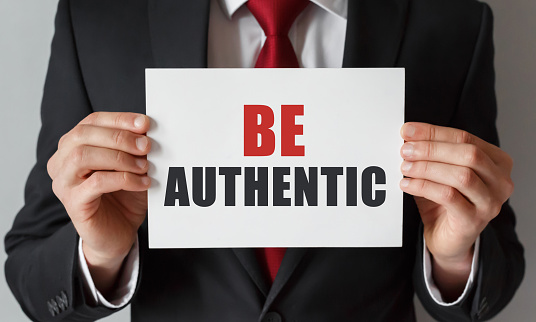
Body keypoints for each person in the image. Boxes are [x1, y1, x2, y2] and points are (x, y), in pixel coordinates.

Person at [5, 0, 525, 321]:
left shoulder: (454, 24)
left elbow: (494, 278)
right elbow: (31, 269)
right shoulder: (97, 20)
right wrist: (97, 257)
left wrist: (455, 259)